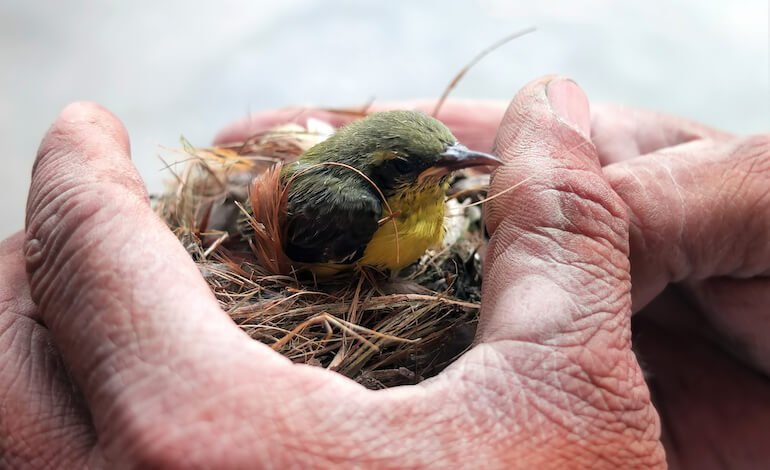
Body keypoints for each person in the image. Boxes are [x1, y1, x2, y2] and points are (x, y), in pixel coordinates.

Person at [0, 76, 767, 469]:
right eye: (425, 164)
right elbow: (293, 265)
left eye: (453, 158)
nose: (457, 167)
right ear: (381, 174)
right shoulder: (349, 208)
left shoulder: (435, 204)